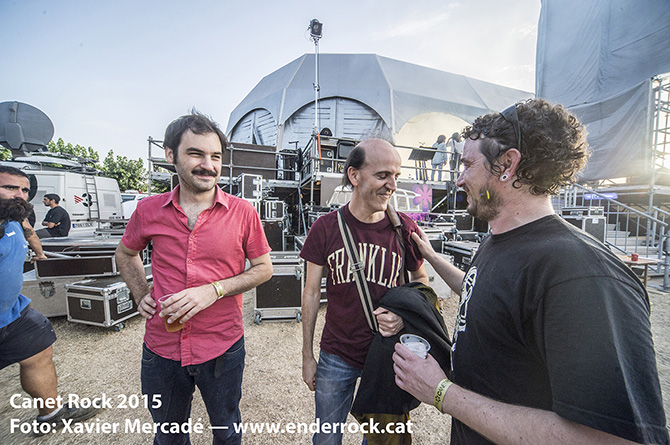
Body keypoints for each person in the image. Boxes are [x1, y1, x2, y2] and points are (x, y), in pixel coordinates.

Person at [392, 98, 669, 444]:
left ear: (507, 165)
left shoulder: (581, 274)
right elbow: (484, 292)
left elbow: (614, 439)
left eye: (467, 164)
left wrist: (441, 392)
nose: (459, 179)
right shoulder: (500, 240)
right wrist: (431, 257)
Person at [115, 111, 273, 445]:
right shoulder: (147, 210)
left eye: (215, 156)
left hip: (222, 346)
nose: (208, 165)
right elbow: (126, 253)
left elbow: (264, 268)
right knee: (169, 435)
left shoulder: (243, 212)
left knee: (227, 432)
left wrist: (214, 290)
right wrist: (140, 291)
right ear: (170, 154)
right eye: (196, 154)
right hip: (162, 348)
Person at [301, 138, 430, 445]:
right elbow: (310, 293)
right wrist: (307, 356)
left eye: (396, 176)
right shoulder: (325, 228)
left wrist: (403, 317)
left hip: (387, 354)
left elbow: (422, 282)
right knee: (326, 438)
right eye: (383, 175)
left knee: (381, 441)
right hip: (337, 355)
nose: (392, 186)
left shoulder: (404, 229)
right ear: (354, 175)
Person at [0, 166, 99, 434]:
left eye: (24, 190)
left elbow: (29, 231)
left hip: (12, 313)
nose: (20, 195)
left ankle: (51, 415)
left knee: (39, 348)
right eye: (10, 187)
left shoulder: (13, 218)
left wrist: (40, 254)